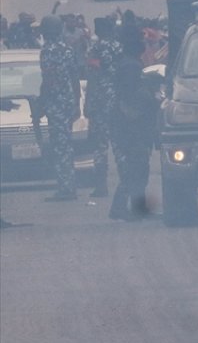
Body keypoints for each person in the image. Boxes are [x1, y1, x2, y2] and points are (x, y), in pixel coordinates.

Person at [108, 23, 159, 221]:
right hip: (132, 128)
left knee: (138, 168)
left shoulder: (127, 63)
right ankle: (122, 208)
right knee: (136, 169)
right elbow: (130, 96)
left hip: (131, 127)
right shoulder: (131, 66)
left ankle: (135, 208)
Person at [38, 15, 81, 201]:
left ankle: (66, 188)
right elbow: (75, 78)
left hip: (55, 103)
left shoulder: (48, 51)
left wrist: (42, 101)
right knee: (66, 145)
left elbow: (48, 79)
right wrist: (77, 102)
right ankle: (69, 185)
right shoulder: (67, 50)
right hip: (67, 102)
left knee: (60, 146)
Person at [85, 17, 122, 198]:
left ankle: (101, 186)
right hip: (118, 103)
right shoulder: (119, 47)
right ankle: (126, 183)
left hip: (100, 103)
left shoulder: (95, 49)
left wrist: (88, 104)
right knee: (120, 144)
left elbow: (92, 77)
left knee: (100, 146)